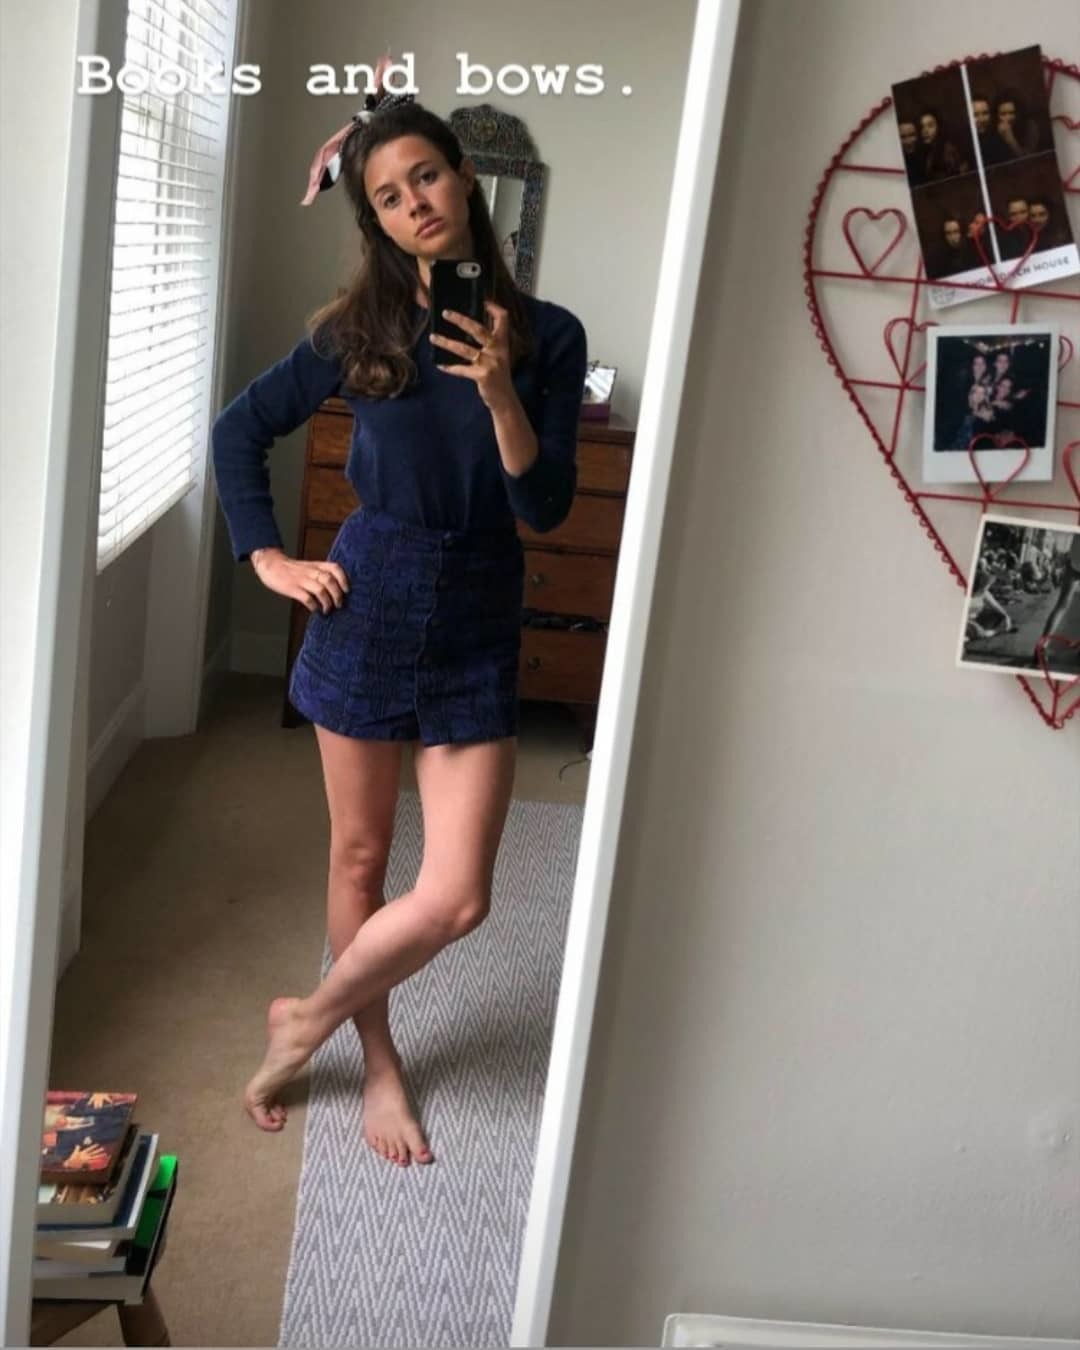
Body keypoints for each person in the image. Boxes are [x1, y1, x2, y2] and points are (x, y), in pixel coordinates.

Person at [211, 58, 588, 1160]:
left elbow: (545, 506)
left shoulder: (548, 335)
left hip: (478, 606)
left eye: (426, 176)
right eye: (388, 195)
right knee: (360, 859)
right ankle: (378, 1062)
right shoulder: (359, 329)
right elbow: (240, 430)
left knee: (459, 895)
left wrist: (502, 390)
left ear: (464, 177)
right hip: (368, 597)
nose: (415, 201)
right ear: (376, 221)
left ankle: (306, 1020)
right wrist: (268, 558)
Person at [917, 106, 970, 180]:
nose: (925, 131)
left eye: (930, 126)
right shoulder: (927, 152)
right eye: (922, 127)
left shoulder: (949, 150)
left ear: (939, 127)